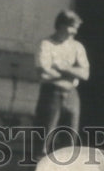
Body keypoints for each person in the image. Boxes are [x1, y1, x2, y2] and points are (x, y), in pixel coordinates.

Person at [33, 10, 90, 154]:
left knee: (70, 143)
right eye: (72, 27)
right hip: (51, 94)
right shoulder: (46, 44)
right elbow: (43, 73)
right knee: (44, 141)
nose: (75, 32)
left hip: (72, 95)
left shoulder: (78, 47)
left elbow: (85, 74)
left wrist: (62, 67)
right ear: (61, 25)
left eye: (76, 28)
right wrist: (72, 73)